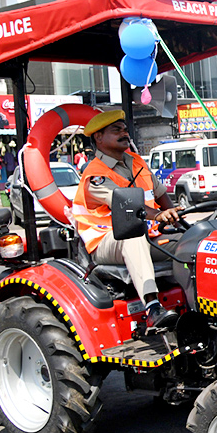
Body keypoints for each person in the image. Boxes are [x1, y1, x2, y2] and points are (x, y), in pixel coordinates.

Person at [72, 111, 180, 329]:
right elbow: (125, 203)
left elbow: (160, 194)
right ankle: (152, 308)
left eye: (124, 129)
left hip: (150, 235)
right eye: (116, 130)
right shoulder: (95, 175)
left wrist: (176, 220)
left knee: (196, 241)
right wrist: (157, 215)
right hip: (105, 242)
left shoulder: (138, 162)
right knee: (133, 235)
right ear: (98, 138)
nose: (124, 133)